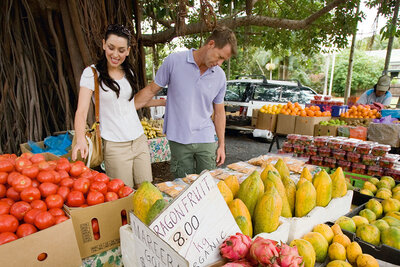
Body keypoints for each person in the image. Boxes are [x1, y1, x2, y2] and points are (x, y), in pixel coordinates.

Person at [135, 26, 237, 178]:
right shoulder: (174, 61)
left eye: (224, 60)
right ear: (211, 44)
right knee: (182, 189)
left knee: (208, 187)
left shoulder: (220, 76)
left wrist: (221, 145)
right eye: (219, 57)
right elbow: (151, 90)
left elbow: (219, 112)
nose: (220, 63)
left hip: (206, 139)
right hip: (179, 139)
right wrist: (126, 108)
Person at [72, 24, 165, 188]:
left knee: (147, 189)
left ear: (128, 50)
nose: (115, 54)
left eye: (121, 50)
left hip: (139, 139)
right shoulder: (92, 74)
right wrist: (80, 140)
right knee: (124, 194)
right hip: (115, 145)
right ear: (103, 44)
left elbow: (131, 104)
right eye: (111, 48)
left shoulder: (129, 72)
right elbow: (81, 111)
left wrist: (162, 102)